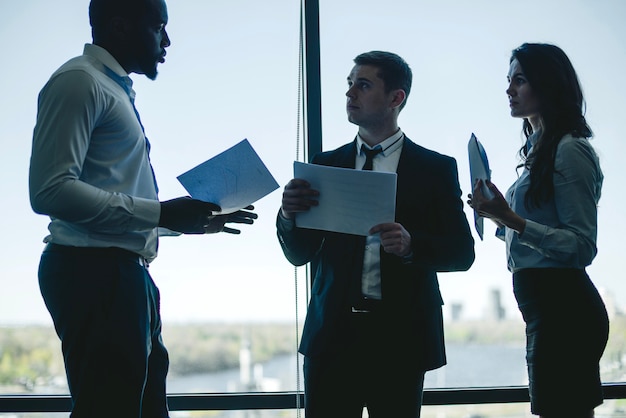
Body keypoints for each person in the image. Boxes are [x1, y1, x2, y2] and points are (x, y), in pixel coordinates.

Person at [28, 0, 257, 416]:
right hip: (95, 272)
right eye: (158, 28)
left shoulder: (110, 89)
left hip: (123, 273)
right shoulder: (79, 83)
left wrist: (184, 223)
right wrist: (162, 214)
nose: (166, 41)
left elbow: (112, 193)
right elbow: (50, 191)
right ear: (119, 26)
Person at [277, 50, 475, 418]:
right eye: (350, 84)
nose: (350, 93)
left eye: (363, 85)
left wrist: (412, 245)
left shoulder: (435, 169)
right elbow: (299, 253)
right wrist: (288, 215)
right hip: (331, 335)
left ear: (396, 98)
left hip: (401, 338)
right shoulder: (323, 165)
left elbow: (462, 253)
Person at [468, 43, 609, 418]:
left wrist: (510, 218)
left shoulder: (569, 150)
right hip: (545, 310)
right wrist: (496, 214)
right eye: (509, 80)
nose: (509, 89)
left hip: (565, 310)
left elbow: (581, 247)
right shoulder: (538, 152)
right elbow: (532, 235)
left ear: (547, 86)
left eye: (520, 80)